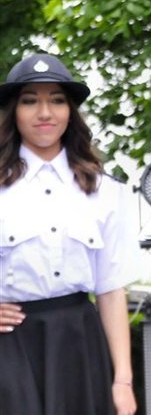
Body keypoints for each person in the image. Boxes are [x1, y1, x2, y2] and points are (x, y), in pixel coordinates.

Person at [0, 53, 141, 415]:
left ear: (70, 112)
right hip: (10, 348)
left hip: (80, 344)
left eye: (57, 100)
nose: (44, 113)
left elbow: (110, 288)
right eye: (30, 101)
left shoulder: (105, 190)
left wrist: (123, 381)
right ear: (14, 111)